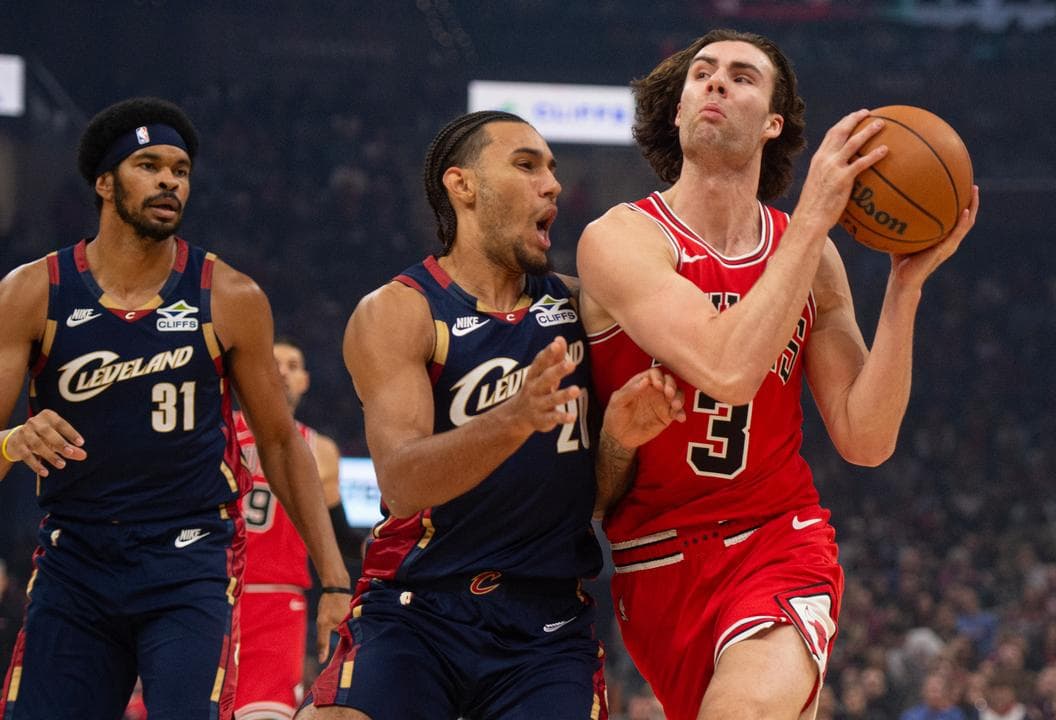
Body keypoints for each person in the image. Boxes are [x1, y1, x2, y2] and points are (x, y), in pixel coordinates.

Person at [577, 28, 980, 720]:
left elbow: (866, 436)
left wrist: (904, 289)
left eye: (742, 76)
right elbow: (725, 367)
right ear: (676, 111)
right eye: (701, 73)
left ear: (773, 123)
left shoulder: (811, 259)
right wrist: (816, 219)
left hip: (777, 538)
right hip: (652, 562)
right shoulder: (622, 238)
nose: (715, 83)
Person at [298, 110, 684, 720]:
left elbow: (601, 502)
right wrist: (515, 417)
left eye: (553, 171)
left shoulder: (582, 306)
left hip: (548, 623)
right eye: (527, 165)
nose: (552, 184)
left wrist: (619, 439)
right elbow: (401, 483)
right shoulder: (400, 312)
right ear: (463, 185)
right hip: (416, 607)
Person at [0, 97, 351, 720]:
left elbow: (278, 442)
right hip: (74, 557)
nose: (169, 180)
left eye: (181, 169)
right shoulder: (33, 291)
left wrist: (334, 578)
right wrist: (12, 441)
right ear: (104, 183)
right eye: (148, 165)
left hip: (189, 560)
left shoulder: (231, 295)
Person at [234, 339, 364, 720]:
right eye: (273, 362)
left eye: (293, 365)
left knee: (266, 713)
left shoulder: (320, 449)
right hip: (211, 591)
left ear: (306, 381)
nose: (283, 371)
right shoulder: (215, 433)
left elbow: (338, 540)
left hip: (277, 603)